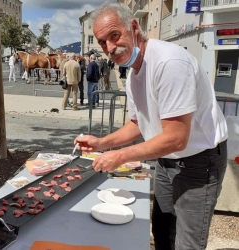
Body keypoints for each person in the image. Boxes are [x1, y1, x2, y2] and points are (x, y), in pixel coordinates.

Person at [75, 3, 228, 250]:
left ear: (133, 27)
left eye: (114, 36)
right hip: (167, 159)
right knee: (161, 229)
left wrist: (121, 156)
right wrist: (101, 144)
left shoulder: (168, 63)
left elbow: (177, 138)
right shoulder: (135, 72)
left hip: (200, 161)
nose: (110, 48)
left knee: (187, 242)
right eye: (103, 42)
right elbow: (137, 123)